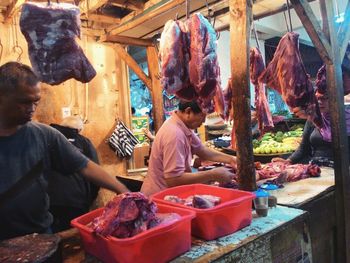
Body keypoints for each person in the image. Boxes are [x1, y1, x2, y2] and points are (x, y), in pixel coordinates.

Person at [0, 62, 129, 240]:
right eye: (24, 102)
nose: (31, 108)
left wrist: (121, 188)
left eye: (36, 102)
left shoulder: (45, 135)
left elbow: (84, 165)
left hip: (40, 238)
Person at [141, 100, 237, 196]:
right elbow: (173, 179)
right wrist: (212, 174)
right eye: (202, 117)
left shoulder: (181, 125)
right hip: (159, 198)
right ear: (188, 112)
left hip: (168, 195)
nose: (203, 122)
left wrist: (231, 159)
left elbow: (201, 150)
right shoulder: (175, 134)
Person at [273, 66, 350, 165]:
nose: (320, 102)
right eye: (317, 98)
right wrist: (288, 161)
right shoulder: (313, 119)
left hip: (342, 171)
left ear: (335, 99)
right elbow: (304, 147)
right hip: (316, 170)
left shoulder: (346, 119)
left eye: (325, 98)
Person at [47, 116, 100, 232]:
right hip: (76, 200)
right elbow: (95, 173)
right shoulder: (84, 143)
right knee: (74, 239)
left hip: (49, 200)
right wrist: (89, 198)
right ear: (79, 130)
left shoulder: (47, 139)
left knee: (52, 238)